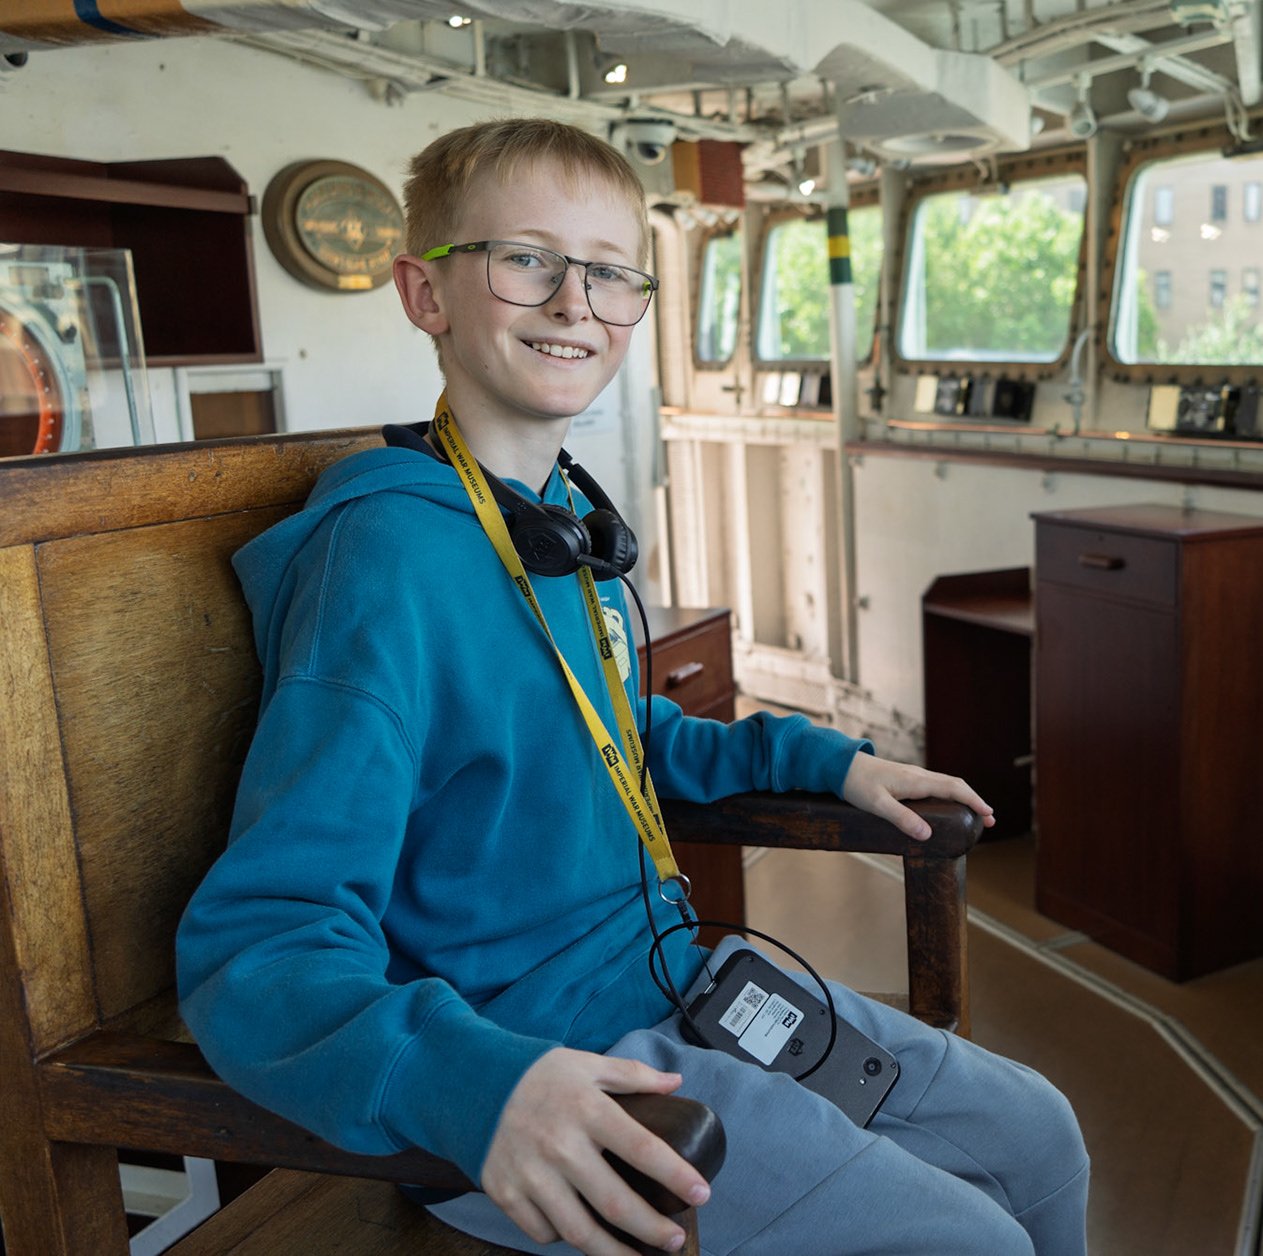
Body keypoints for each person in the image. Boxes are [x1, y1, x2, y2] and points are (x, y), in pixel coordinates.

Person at [176, 118, 1088, 1256]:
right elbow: (258, 943)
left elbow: (615, 730)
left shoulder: (556, 531)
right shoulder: (384, 565)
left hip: (676, 977)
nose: (574, 302)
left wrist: (829, 759)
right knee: (974, 1242)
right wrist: (476, 1087)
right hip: (533, 1064)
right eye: (526, 259)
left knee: (1042, 1135)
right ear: (426, 293)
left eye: (610, 273)